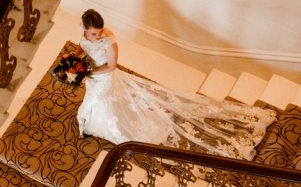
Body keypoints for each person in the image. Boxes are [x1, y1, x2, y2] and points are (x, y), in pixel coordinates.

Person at [74, 9, 277, 160]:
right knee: (108, 102)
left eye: (99, 32)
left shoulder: (108, 40)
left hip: (104, 77)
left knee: (102, 101)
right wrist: (75, 60)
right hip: (93, 77)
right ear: (84, 28)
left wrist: (88, 71)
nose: (98, 36)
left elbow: (111, 66)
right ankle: (110, 118)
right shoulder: (84, 34)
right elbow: (82, 46)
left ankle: (116, 126)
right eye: (93, 34)